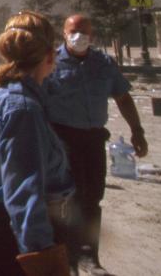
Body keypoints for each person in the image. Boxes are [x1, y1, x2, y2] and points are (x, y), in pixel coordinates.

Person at [0, 11, 73, 276]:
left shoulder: (3, 94)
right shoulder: (22, 108)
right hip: (9, 242)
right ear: (49, 55)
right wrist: (44, 261)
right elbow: (24, 196)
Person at [44, 14, 148, 274]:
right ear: (64, 33)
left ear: (92, 36)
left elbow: (123, 98)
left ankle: (89, 256)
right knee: (65, 198)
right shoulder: (50, 63)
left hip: (93, 140)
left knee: (92, 196)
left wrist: (137, 130)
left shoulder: (103, 63)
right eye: (73, 30)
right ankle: (64, 254)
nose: (78, 36)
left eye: (84, 32)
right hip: (62, 139)